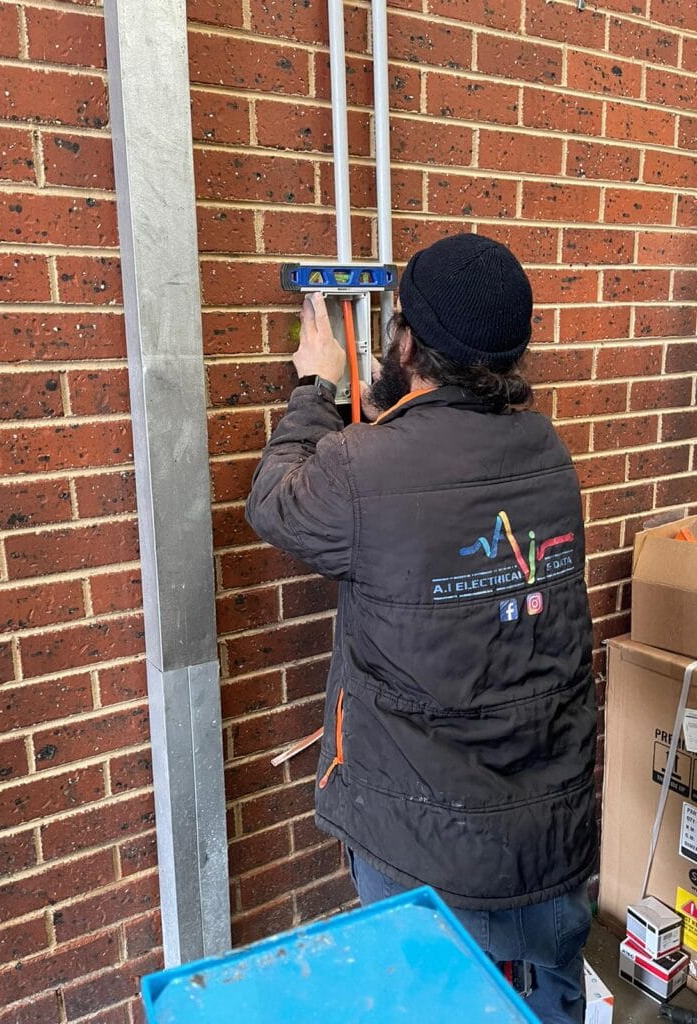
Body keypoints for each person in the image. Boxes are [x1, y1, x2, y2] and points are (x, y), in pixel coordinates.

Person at [245, 233, 597, 1024]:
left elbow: (273, 502)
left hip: (428, 857)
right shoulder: (548, 453)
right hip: (550, 840)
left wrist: (316, 388)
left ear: (407, 343)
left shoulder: (362, 467)